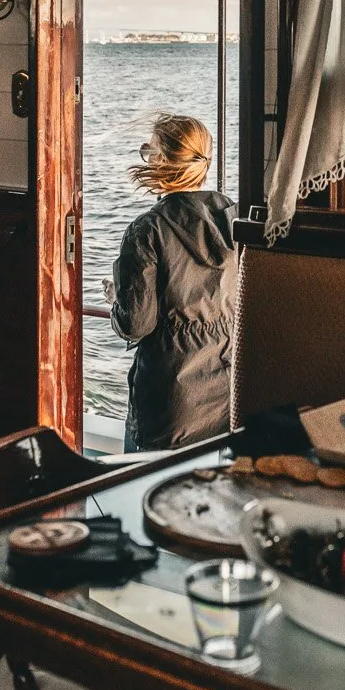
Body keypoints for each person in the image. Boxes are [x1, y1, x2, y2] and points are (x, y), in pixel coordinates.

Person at [106, 113, 237, 453]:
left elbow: (135, 323)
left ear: (163, 160)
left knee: (145, 490)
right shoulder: (233, 216)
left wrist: (116, 297)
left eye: (149, 151)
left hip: (171, 399)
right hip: (226, 389)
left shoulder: (147, 230)